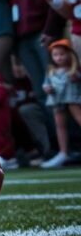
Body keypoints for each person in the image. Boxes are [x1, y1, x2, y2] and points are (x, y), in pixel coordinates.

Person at [40, 40, 81, 168]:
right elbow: (45, 84)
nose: (59, 57)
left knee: (79, 118)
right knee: (60, 125)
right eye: (55, 55)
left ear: (70, 54)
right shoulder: (51, 70)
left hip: (72, 97)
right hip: (56, 98)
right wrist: (47, 88)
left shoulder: (73, 69)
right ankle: (63, 152)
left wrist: (76, 77)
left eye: (62, 54)